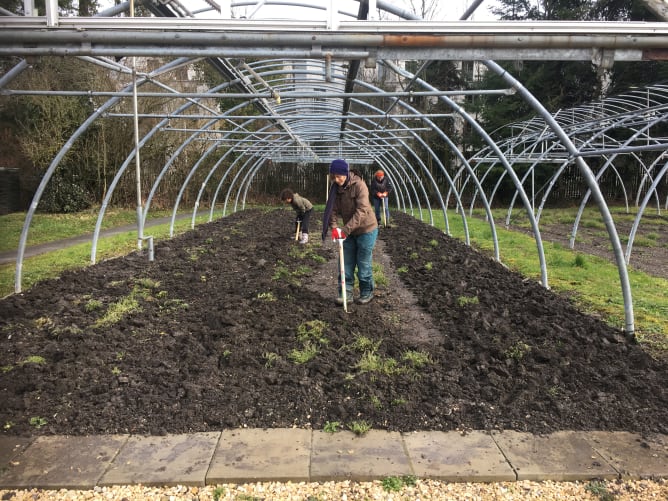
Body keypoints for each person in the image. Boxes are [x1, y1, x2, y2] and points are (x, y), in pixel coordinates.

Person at [322, 159, 378, 305]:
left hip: (367, 229)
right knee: (345, 262)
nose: (337, 179)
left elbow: (362, 211)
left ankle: (367, 292)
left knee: (363, 263)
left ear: (346, 173)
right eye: (334, 176)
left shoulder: (359, 185)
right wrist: (334, 228)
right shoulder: (335, 189)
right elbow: (332, 211)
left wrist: (344, 230)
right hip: (350, 231)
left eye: (339, 176)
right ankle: (345, 294)